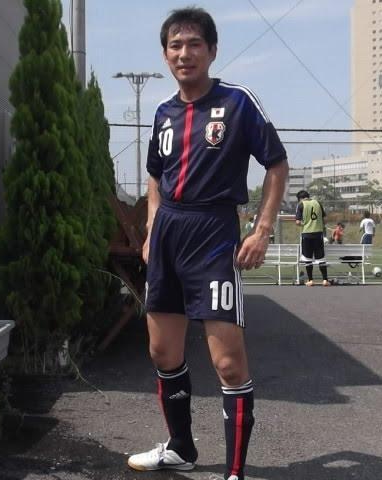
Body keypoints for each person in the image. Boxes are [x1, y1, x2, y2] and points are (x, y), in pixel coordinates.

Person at [127, 8, 288, 480]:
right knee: (162, 353)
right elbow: (155, 177)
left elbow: (277, 165)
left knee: (228, 363)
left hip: (214, 233)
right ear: (165, 55)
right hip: (169, 234)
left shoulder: (237, 102)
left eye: (194, 44)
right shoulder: (163, 112)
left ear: (212, 51)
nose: (184, 54)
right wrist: (152, 229)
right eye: (175, 46)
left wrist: (261, 230)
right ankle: (181, 448)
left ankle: (234, 472)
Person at [295, 190, 329, 287]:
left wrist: (305, 223)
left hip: (307, 234)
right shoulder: (318, 203)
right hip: (318, 234)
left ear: (300, 198)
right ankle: (325, 280)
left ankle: (310, 280)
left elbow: (297, 222)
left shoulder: (301, 205)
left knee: (307, 258)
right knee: (321, 258)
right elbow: (325, 220)